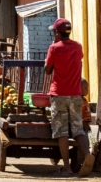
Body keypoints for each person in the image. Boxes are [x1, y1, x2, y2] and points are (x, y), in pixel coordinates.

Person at [43, 18, 95, 177]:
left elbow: (47, 70)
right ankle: (87, 155)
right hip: (75, 94)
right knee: (78, 128)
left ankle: (66, 168)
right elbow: (78, 61)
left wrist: (53, 48)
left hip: (59, 95)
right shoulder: (78, 46)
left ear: (57, 33)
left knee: (62, 132)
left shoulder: (54, 48)